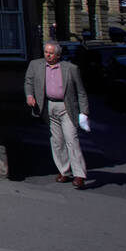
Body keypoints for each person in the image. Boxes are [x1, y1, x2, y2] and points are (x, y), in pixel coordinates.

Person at [24, 41, 91, 189]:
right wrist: (29, 95)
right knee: (57, 141)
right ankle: (64, 171)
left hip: (66, 107)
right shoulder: (36, 65)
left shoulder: (71, 68)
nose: (47, 55)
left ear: (58, 55)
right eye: (46, 52)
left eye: (51, 53)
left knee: (71, 139)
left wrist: (84, 112)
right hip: (48, 106)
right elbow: (28, 81)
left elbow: (81, 92)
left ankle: (79, 174)